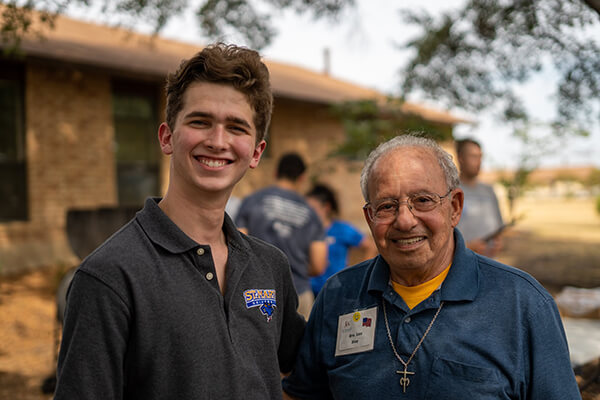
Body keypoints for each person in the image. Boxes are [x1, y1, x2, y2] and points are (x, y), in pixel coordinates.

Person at [54, 43, 306, 399]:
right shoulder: (110, 276)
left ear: (256, 152)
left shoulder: (270, 266)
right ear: (167, 137)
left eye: (236, 127)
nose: (218, 141)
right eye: (200, 121)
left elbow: (313, 367)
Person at [283, 134, 579, 399]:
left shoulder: (523, 305)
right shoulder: (338, 295)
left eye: (423, 200)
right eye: (386, 206)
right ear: (369, 217)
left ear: (455, 208)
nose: (405, 220)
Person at [236, 153, 327, 319]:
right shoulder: (311, 214)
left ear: (275, 172)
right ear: (302, 178)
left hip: (255, 292)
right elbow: (318, 265)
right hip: (298, 292)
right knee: (297, 344)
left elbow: (237, 246)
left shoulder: (252, 201)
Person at [305, 183, 377, 297]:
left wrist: (361, 274)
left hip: (336, 291)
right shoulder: (305, 231)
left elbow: (370, 246)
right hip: (310, 292)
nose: (308, 213)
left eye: (313, 209)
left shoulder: (342, 229)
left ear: (326, 208)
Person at [456, 138, 505, 258]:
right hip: (461, 263)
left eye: (480, 156)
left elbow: (498, 227)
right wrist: (465, 247)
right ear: (461, 158)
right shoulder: (450, 191)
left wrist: (498, 243)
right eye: (473, 156)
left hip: (489, 263)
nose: (478, 161)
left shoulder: (489, 191)